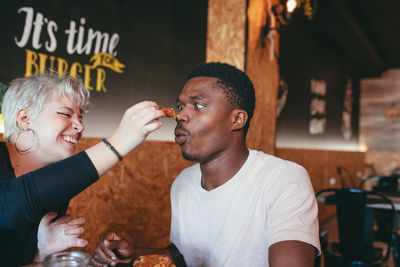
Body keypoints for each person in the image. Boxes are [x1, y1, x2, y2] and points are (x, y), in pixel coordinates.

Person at [91, 62, 320, 267]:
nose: (181, 116)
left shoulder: (283, 179)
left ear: (237, 119)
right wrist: (135, 253)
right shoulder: (183, 183)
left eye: (198, 106)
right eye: (180, 106)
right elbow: (185, 256)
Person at [0, 72, 166, 266]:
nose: (80, 126)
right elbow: (8, 206)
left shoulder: (56, 185)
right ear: (24, 118)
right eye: (65, 114)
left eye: (80, 117)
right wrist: (119, 141)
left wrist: (41, 256)